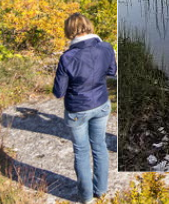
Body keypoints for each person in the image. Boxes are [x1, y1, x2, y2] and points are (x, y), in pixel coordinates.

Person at [53, 13, 117, 204]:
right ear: (88, 26)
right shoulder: (106, 47)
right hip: (101, 104)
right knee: (100, 146)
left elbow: (59, 92)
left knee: (81, 151)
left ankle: (87, 197)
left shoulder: (68, 57)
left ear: (70, 31)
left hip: (77, 109)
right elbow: (112, 72)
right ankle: (102, 190)